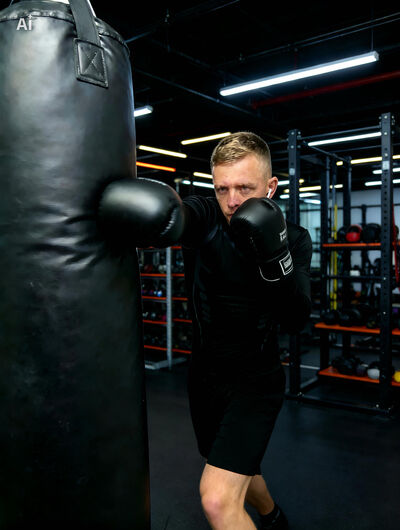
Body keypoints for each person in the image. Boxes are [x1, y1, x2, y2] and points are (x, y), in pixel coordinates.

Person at [180, 132, 312, 530]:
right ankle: (272, 516)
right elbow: (183, 214)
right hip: (204, 377)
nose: (233, 200)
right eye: (223, 188)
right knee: (231, 464)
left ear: (271, 187)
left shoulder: (295, 239)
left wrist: (275, 255)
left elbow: (296, 320)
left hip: (256, 381)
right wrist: (161, 213)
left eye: (245, 188)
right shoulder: (206, 219)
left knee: (217, 499)